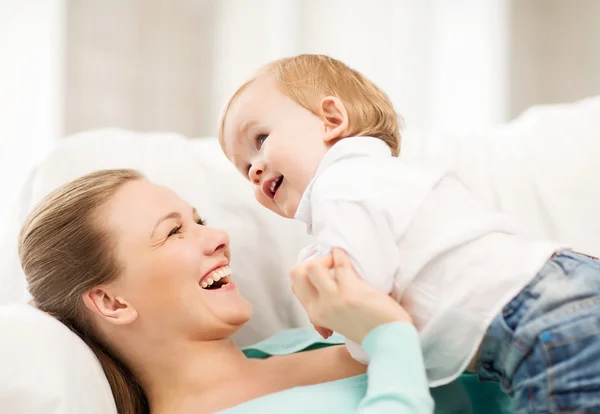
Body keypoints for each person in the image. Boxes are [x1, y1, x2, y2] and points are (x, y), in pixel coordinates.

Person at [218, 53, 600, 412]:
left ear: (332, 120)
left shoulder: (339, 186)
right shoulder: (375, 179)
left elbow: (365, 303)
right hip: (560, 289)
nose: (254, 169)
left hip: (542, 320)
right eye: (243, 167)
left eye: (261, 140)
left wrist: (329, 301)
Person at [21, 168, 512, 414]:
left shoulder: (286, 346)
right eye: (173, 232)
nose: (218, 238)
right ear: (111, 302)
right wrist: (388, 335)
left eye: (200, 221)